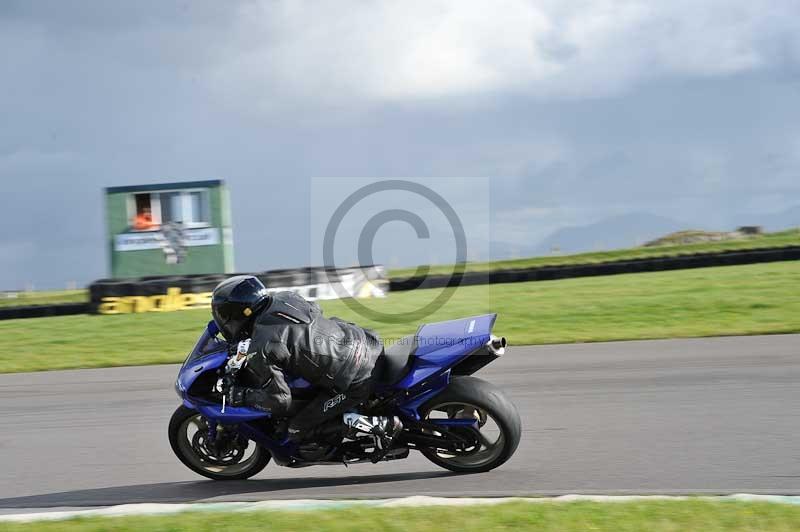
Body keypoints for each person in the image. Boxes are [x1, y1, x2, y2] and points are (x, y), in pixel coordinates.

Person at [210, 275, 402, 456]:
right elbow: (315, 310)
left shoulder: (261, 347)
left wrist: (242, 395)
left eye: (222, 313)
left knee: (296, 429)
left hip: (354, 380)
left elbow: (280, 401)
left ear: (236, 312)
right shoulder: (285, 298)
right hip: (364, 342)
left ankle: (378, 425)